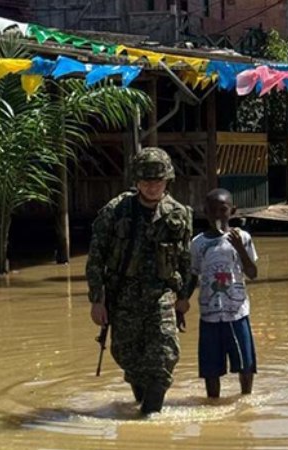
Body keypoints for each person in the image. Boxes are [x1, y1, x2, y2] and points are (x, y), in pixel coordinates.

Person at [86, 147, 193, 415]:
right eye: (146, 181)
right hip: (123, 294)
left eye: (158, 181)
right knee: (128, 357)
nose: (152, 187)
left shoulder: (178, 214)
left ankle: (148, 418)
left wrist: (183, 298)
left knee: (164, 355)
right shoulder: (116, 211)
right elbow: (96, 258)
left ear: (167, 180)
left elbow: (185, 259)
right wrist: (97, 300)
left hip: (161, 294)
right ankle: (142, 406)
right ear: (136, 181)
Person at [179, 188, 259, 399]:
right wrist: (182, 303)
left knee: (245, 364)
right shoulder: (198, 244)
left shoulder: (243, 237)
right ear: (204, 212)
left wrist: (240, 249)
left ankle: (246, 400)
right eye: (212, 210)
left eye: (222, 210)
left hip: (236, 312)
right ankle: (212, 402)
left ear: (232, 211)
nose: (217, 215)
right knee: (210, 369)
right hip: (209, 314)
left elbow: (252, 273)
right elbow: (193, 276)